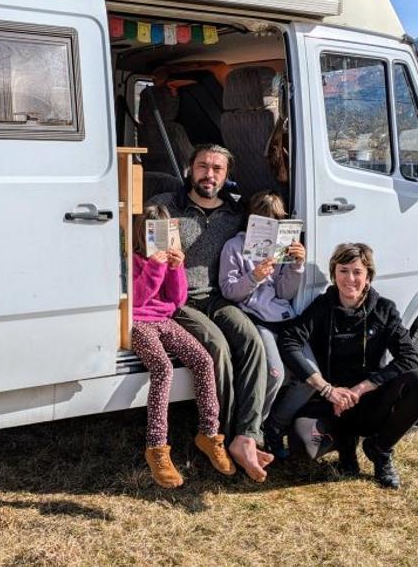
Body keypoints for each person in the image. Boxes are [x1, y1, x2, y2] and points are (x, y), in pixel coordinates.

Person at [148, 144, 274, 482]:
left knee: (250, 341)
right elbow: (143, 242)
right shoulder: (165, 206)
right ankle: (219, 437)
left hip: (218, 297)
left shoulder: (235, 214)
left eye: (218, 169)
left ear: (227, 175)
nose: (210, 174)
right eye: (203, 166)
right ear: (190, 168)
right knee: (216, 347)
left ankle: (248, 436)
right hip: (180, 301)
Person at [277, 243, 418, 489]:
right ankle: (344, 444)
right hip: (331, 402)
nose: (349, 279)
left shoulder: (384, 310)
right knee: (301, 444)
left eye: (357, 272)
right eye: (343, 270)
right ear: (334, 273)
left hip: (369, 401)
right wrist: (326, 389)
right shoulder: (322, 307)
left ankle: (380, 449)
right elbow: (289, 340)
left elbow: (409, 357)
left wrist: (361, 388)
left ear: (368, 276)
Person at [130, 204, 236, 488]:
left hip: (164, 320)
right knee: (163, 368)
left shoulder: (170, 260)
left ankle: (209, 434)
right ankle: (157, 447)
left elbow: (176, 300)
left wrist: (176, 268)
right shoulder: (136, 260)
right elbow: (138, 300)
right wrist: (154, 266)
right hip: (138, 322)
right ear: (144, 233)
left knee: (203, 359)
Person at [217, 191, 314, 458]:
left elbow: (284, 293)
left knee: (310, 376)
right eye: (264, 219)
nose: (271, 223)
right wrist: (254, 277)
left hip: (284, 317)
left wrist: (297, 266)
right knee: (274, 373)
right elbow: (229, 291)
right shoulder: (233, 247)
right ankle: (253, 432)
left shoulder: (282, 248)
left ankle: (274, 426)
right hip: (256, 317)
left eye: (277, 219)